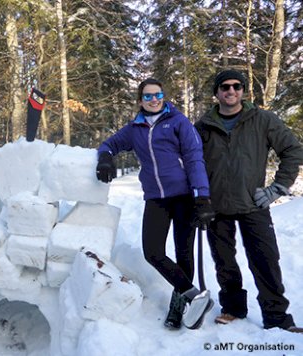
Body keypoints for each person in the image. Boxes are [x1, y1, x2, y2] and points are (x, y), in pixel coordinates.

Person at [96, 78, 215, 330]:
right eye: (148, 96)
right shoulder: (135, 128)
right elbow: (109, 144)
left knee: (184, 252)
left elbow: (194, 158)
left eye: (158, 95)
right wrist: (105, 158)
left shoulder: (178, 122)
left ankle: (178, 308)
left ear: (164, 96)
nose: (154, 100)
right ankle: (193, 296)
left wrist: (201, 196)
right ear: (140, 101)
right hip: (155, 198)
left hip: (183, 197)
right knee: (153, 252)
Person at [195, 69, 303, 333]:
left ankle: (277, 317)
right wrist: (198, 199)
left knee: (265, 259)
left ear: (243, 91)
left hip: (253, 204)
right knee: (223, 260)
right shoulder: (203, 126)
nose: (231, 91)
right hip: (216, 206)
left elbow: (293, 150)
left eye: (236, 86)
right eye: (225, 87)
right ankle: (233, 308)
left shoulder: (262, 120)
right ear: (217, 93)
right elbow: (189, 162)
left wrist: (277, 188)